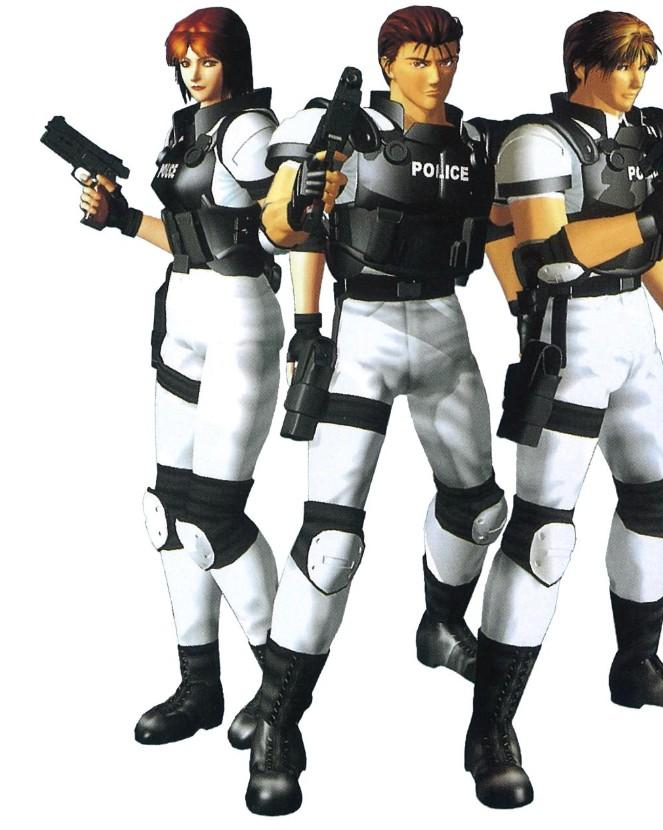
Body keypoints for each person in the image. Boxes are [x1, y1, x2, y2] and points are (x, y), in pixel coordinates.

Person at [243, 5, 509, 815]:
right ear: (389, 62)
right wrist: (305, 204)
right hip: (363, 331)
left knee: (479, 509)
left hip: (443, 328)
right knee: (330, 542)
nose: (438, 72)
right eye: (421, 59)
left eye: (447, 57)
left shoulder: (476, 144)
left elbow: (503, 231)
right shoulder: (338, 127)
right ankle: (279, 722)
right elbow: (278, 225)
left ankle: (441, 624)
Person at [465, 10, 663, 809]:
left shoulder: (642, 137)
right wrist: (652, 213)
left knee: (658, 502)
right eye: (622, 63)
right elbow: (546, 257)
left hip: (633, 332)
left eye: (643, 63)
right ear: (582, 65)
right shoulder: (536, 142)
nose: (636, 77)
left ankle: (637, 666)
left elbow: (652, 249)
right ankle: (490, 728)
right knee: (543, 532)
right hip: (569, 334)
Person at [76, 7, 282, 750]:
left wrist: (313, 321)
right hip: (185, 311)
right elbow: (194, 235)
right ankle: (200, 686)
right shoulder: (186, 129)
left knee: (212, 517)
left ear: (234, 61)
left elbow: (287, 227)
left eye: (207, 59)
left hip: (237, 318)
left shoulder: (251, 133)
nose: (194, 72)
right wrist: (121, 217)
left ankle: (282, 687)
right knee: (169, 510)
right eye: (184, 61)